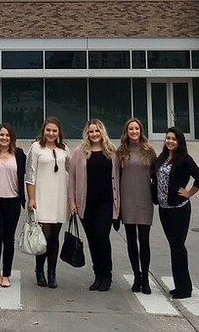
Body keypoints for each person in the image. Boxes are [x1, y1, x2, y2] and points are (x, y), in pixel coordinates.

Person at [151, 126, 199, 300]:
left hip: (179, 210)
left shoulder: (185, 160)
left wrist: (189, 192)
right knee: (174, 247)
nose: (170, 141)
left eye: (174, 139)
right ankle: (178, 285)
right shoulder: (162, 158)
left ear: (180, 142)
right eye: (168, 138)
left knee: (178, 247)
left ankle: (185, 288)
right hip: (164, 210)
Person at [68, 118, 120, 292]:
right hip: (86, 203)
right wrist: (72, 201)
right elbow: (72, 178)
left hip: (106, 203)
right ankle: (97, 275)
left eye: (97, 131)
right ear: (87, 133)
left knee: (102, 237)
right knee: (92, 240)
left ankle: (107, 275)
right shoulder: (80, 152)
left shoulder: (112, 152)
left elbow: (118, 178)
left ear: (102, 132)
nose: (94, 134)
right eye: (91, 131)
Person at [25, 116, 69, 289]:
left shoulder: (64, 149)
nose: (51, 133)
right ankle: (39, 271)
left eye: (54, 130)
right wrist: (32, 198)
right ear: (43, 131)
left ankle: (52, 273)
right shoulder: (36, 148)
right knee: (43, 236)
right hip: (42, 197)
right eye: (48, 130)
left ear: (59, 132)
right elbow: (30, 174)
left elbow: (70, 171)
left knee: (55, 237)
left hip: (59, 197)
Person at [0, 123, 26, 287]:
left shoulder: (20, 154)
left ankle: (7, 273)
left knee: (9, 238)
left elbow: (30, 173)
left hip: (12, 201)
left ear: (12, 138)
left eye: (7, 135)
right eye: (1, 135)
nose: (4, 138)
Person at [117, 117, 157, 294]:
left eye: (137, 129)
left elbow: (157, 175)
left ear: (141, 131)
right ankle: (136, 276)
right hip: (127, 201)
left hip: (144, 201)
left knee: (144, 241)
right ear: (127, 131)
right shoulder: (121, 152)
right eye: (131, 129)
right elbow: (116, 178)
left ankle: (146, 279)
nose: (134, 132)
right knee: (131, 241)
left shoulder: (148, 151)